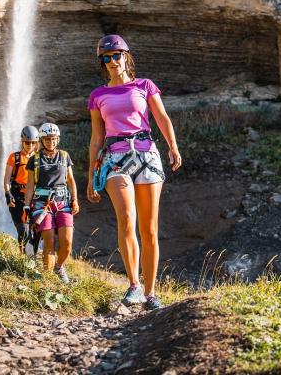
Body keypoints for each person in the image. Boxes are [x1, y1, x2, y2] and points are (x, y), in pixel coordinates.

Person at [86, 35, 182, 310]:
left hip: (147, 154)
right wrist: (91, 174)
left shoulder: (144, 85)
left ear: (126, 56)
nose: (112, 61)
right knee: (127, 217)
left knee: (149, 228)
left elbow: (162, 117)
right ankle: (134, 286)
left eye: (116, 55)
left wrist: (173, 147)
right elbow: (96, 137)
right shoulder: (98, 95)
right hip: (115, 157)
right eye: (106, 58)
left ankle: (151, 293)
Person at [24, 122, 79, 282]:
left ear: (58, 139)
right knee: (49, 240)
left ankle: (59, 267)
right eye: (47, 139)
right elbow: (29, 185)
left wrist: (75, 199)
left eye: (54, 139)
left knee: (67, 242)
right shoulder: (34, 159)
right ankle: (48, 281)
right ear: (41, 140)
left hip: (63, 203)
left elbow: (71, 180)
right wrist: (27, 206)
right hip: (41, 204)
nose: (51, 142)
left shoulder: (64, 156)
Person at [4, 125, 40, 254]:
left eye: (33, 143)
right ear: (22, 141)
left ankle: (32, 257)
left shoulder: (39, 158)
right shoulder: (14, 158)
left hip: (35, 198)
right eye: (27, 142)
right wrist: (7, 193)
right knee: (23, 231)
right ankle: (23, 259)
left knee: (36, 232)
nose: (30, 145)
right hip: (17, 197)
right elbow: (7, 178)